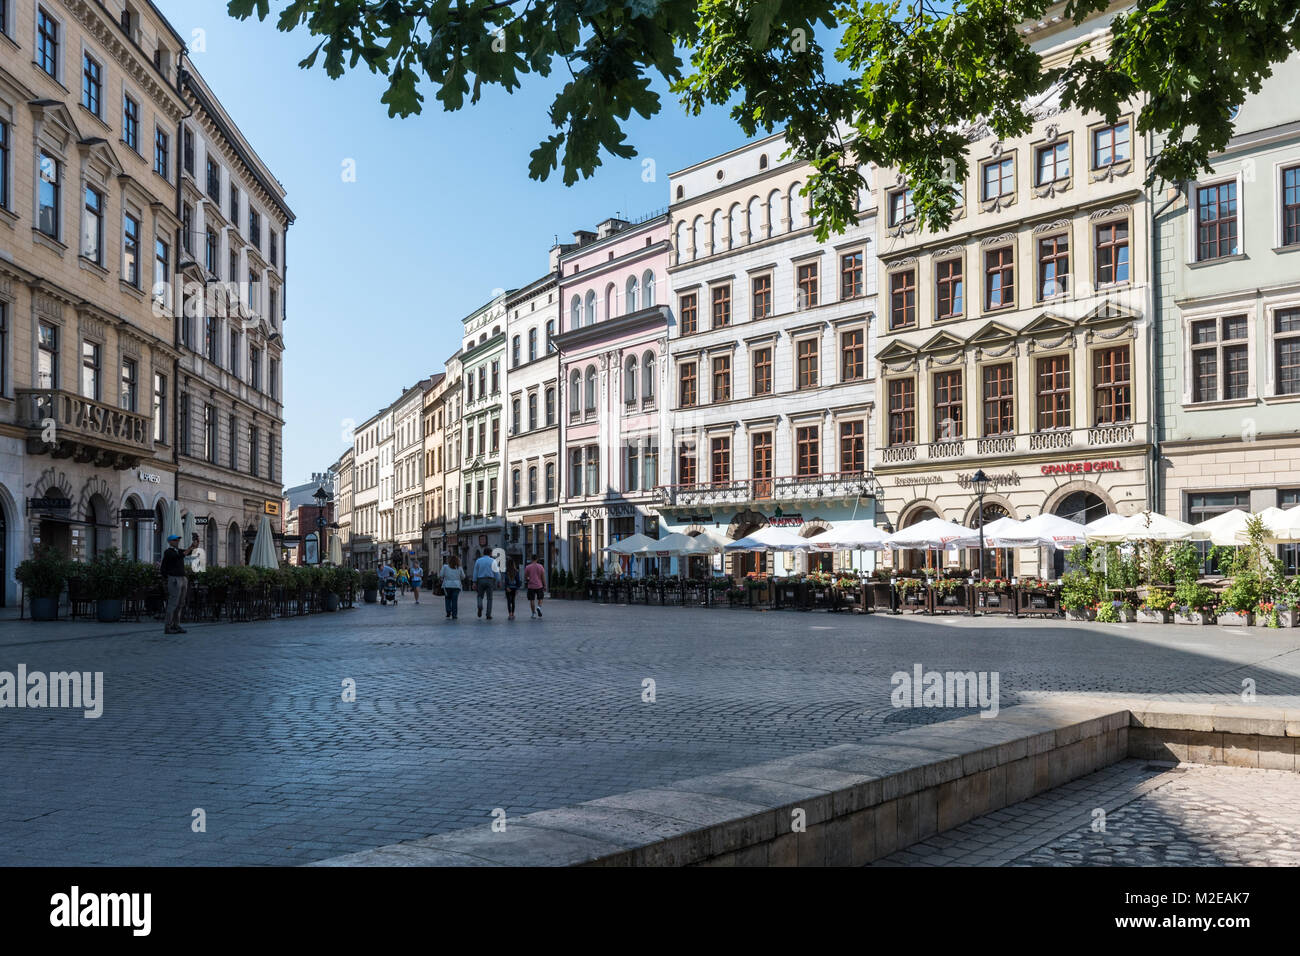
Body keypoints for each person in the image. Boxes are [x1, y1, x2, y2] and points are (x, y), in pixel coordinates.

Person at [161, 534, 192, 634]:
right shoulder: (168, 552)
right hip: (174, 579)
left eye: (178, 540)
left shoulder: (178, 550)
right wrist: (190, 548)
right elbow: (180, 556)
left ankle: (176, 625)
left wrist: (194, 545)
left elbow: (188, 552)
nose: (177, 541)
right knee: (173, 603)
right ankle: (168, 626)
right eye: (175, 540)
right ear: (170, 542)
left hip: (182, 578)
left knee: (180, 604)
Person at [473, 548, 496, 619]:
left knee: (480, 595)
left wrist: (474, 582)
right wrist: (498, 581)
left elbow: (475, 572)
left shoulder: (478, 561)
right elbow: (496, 572)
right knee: (490, 598)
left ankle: (480, 606)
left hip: (480, 580)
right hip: (490, 580)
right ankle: (488, 614)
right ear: (490, 553)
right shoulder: (493, 561)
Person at [439, 555, 464, 619]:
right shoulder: (459, 568)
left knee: (447, 598)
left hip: (447, 585)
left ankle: (448, 611)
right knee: (454, 600)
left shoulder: (445, 567)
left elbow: (441, 575)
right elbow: (463, 576)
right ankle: (454, 614)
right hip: (456, 586)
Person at [524, 554, 547, 619]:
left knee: (532, 600)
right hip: (539, 585)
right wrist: (545, 585)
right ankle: (538, 607)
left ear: (531, 559)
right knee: (540, 598)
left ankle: (533, 613)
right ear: (537, 559)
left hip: (531, 586)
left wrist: (528, 579)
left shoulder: (528, 567)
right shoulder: (540, 566)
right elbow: (543, 577)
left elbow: (525, 577)